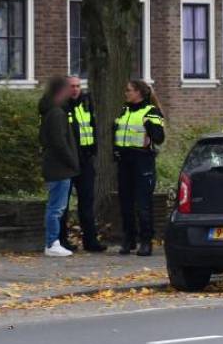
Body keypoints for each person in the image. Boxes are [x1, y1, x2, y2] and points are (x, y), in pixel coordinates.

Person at [114, 80, 166, 256]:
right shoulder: (125, 110)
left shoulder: (150, 111)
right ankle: (129, 239)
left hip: (142, 160)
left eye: (129, 90)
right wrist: (116, 150)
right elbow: (119, 134)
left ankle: (146, 241)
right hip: (125, 161)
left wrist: (151, 127)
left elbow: (159, 138)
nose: (125, 93)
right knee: (125, 203)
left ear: (138, 93)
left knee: (143, 204)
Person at [62, 75, 106, 252]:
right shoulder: (62, 107)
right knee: (62, 205)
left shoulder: (86, 104)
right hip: (68, 162)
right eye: (71, 86)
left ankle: (90, 241)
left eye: (78, 86)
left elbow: (92, 128)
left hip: (86, 160)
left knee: (87, 203)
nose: (75, 89)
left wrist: (93, 151)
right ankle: (62, 241)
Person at [38, 76, 79, 257]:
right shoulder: (57, 114)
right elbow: (59, 142)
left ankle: (53, 241)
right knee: (56, 208)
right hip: (59, 167)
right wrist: (72, 161)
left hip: (55, 166)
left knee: (56, 207)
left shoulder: (50, 112)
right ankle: (52, 242)